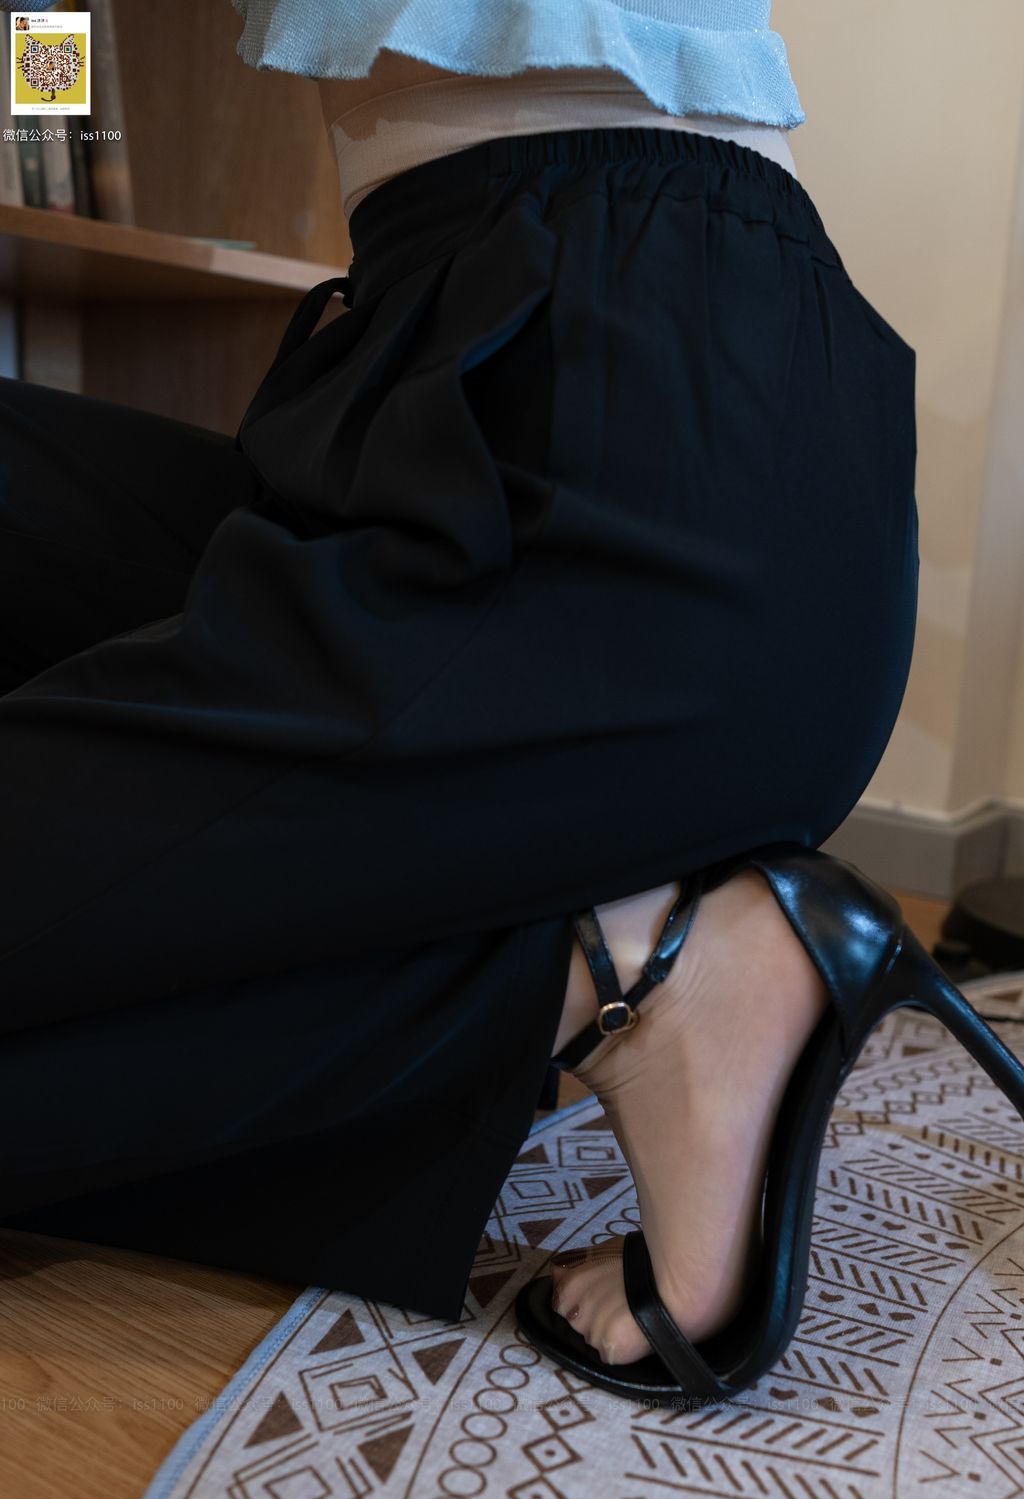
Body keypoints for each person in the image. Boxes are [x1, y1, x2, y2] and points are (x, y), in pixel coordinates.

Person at [2, 0, 1021, 1408]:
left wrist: (48, 90)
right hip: (512, 401)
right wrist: (49, 95)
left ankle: (621, 977)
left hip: (619, 473)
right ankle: (582, 944)